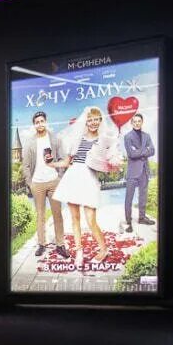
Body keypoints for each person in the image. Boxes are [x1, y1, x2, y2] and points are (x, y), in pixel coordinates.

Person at [53, 106, 123, 269]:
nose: (93, 122)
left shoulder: (104, 141)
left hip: (89, 179)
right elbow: (66, 162)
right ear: (86, 121)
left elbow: (109, 164)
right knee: (75, 218)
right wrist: (51, 164)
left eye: (96, 119)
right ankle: (79, 251)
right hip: (72, 177)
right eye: (90, 119)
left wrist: (115, 164)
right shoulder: (77, 139)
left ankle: (104, 249)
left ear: (100, 120)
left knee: (91, 219)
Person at [20, 110, 66, 256]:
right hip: (37, 184)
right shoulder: (29, 143)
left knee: (57, 214)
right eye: (37, 122)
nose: (40, 124)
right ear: (34, 125)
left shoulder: (55, 139)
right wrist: (30, 183)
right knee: (40, 216)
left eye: (42, 121)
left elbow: (62, 159)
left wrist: (59, 177)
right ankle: (41, 244)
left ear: (46, 122)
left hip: (54, 182)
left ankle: (60, 244)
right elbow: (25, 165)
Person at [122, 113, 156, 232]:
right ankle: (128, 221)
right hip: (132, 171)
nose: (137, 123)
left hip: (144, 170)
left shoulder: (147, 136)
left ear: (142, 122)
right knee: (129, 197)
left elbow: (152, 151)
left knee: (143, 196)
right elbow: (131, 154)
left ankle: (142, 218)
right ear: (131, 123)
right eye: (135, 121)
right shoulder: (127, 137)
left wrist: (139, 151)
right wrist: (145, 150)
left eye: (139, 121)